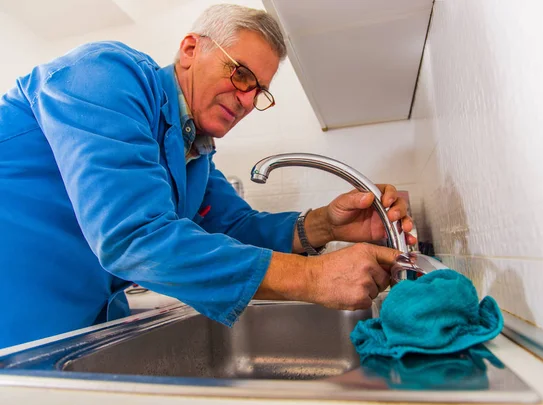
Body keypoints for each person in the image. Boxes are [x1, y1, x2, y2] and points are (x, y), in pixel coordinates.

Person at [0, 4, 416, 349]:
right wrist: (311, 277)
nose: (247, 100)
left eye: (260, 91)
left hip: (80, 330)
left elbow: (236, 227)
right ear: (190, 49)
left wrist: (325, 224)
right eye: (241, 75)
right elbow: (134, 237)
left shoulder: (194, 153)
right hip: (18, 331)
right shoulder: (105, 76)